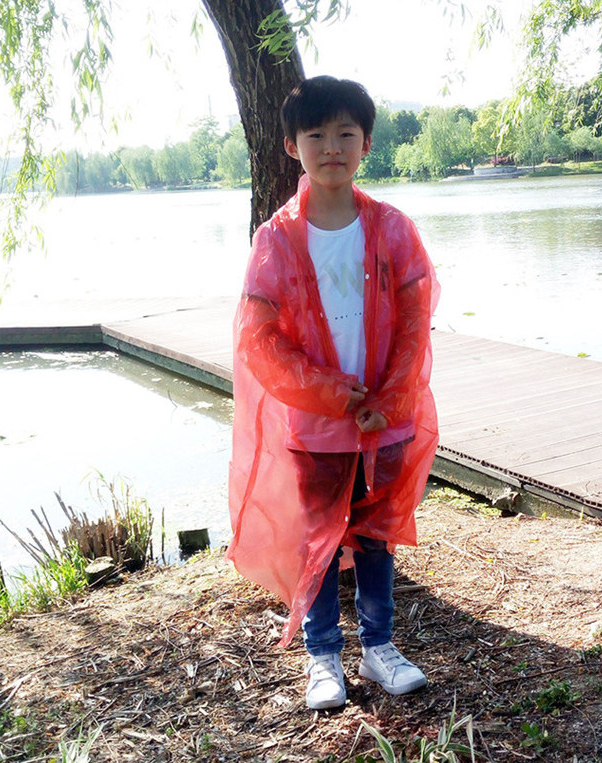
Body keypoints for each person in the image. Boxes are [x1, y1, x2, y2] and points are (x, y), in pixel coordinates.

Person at [228, 76, 439, 710]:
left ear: (366, 143)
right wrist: (332, 394)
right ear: (292, 146)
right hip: (317, 425)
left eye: (346, 133)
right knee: (317, 541)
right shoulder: (277, 239)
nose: (331, 147)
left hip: (384, 419)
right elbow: (260, 339)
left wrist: (388, 399)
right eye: (316, 134)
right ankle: (323, 657)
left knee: (376, 535)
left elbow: (414, 320)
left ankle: (379, 648)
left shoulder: (392, 229)